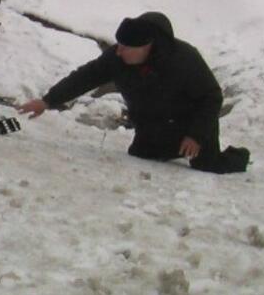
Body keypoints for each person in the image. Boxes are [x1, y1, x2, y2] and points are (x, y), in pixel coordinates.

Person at [17, 12, 249, 174]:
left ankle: (239, 156)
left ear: (146, 47)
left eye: (126, 47)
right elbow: (85, 77)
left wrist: (196, 136)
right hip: (153, 121)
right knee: (143, 157)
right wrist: (47, 101)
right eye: (118, 45)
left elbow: (211, 97)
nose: (119, 51)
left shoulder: (184, 59)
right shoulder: (117, 57)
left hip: (192, 123)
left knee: (207, 167)